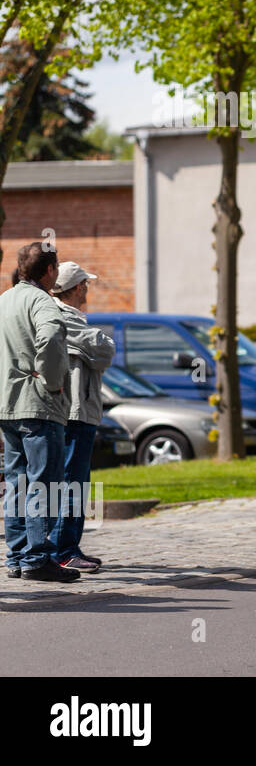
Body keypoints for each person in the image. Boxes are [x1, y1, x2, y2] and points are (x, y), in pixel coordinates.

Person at [1, 242, 75, 582]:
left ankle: (16, 556)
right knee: (43, 485)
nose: (57, 274)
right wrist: (51, 379)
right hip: (38, 405)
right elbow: (50, 338)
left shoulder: (4, 300)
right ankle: (36, 557)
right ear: (48, 270)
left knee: (16, 483)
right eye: (55, 268)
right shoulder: (43, 301)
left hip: (7, 404)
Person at [50, 262, 114, 573]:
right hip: (74, 410)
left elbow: (99, 353)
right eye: (85, 285)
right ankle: (64, 549)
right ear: (77, 288)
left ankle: (64, 545)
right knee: (71, 482)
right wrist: (96, 343)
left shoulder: (68, 319)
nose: (87, 289)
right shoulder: (63, 318)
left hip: (75, 409)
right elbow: (105, 351)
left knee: (72, 481)